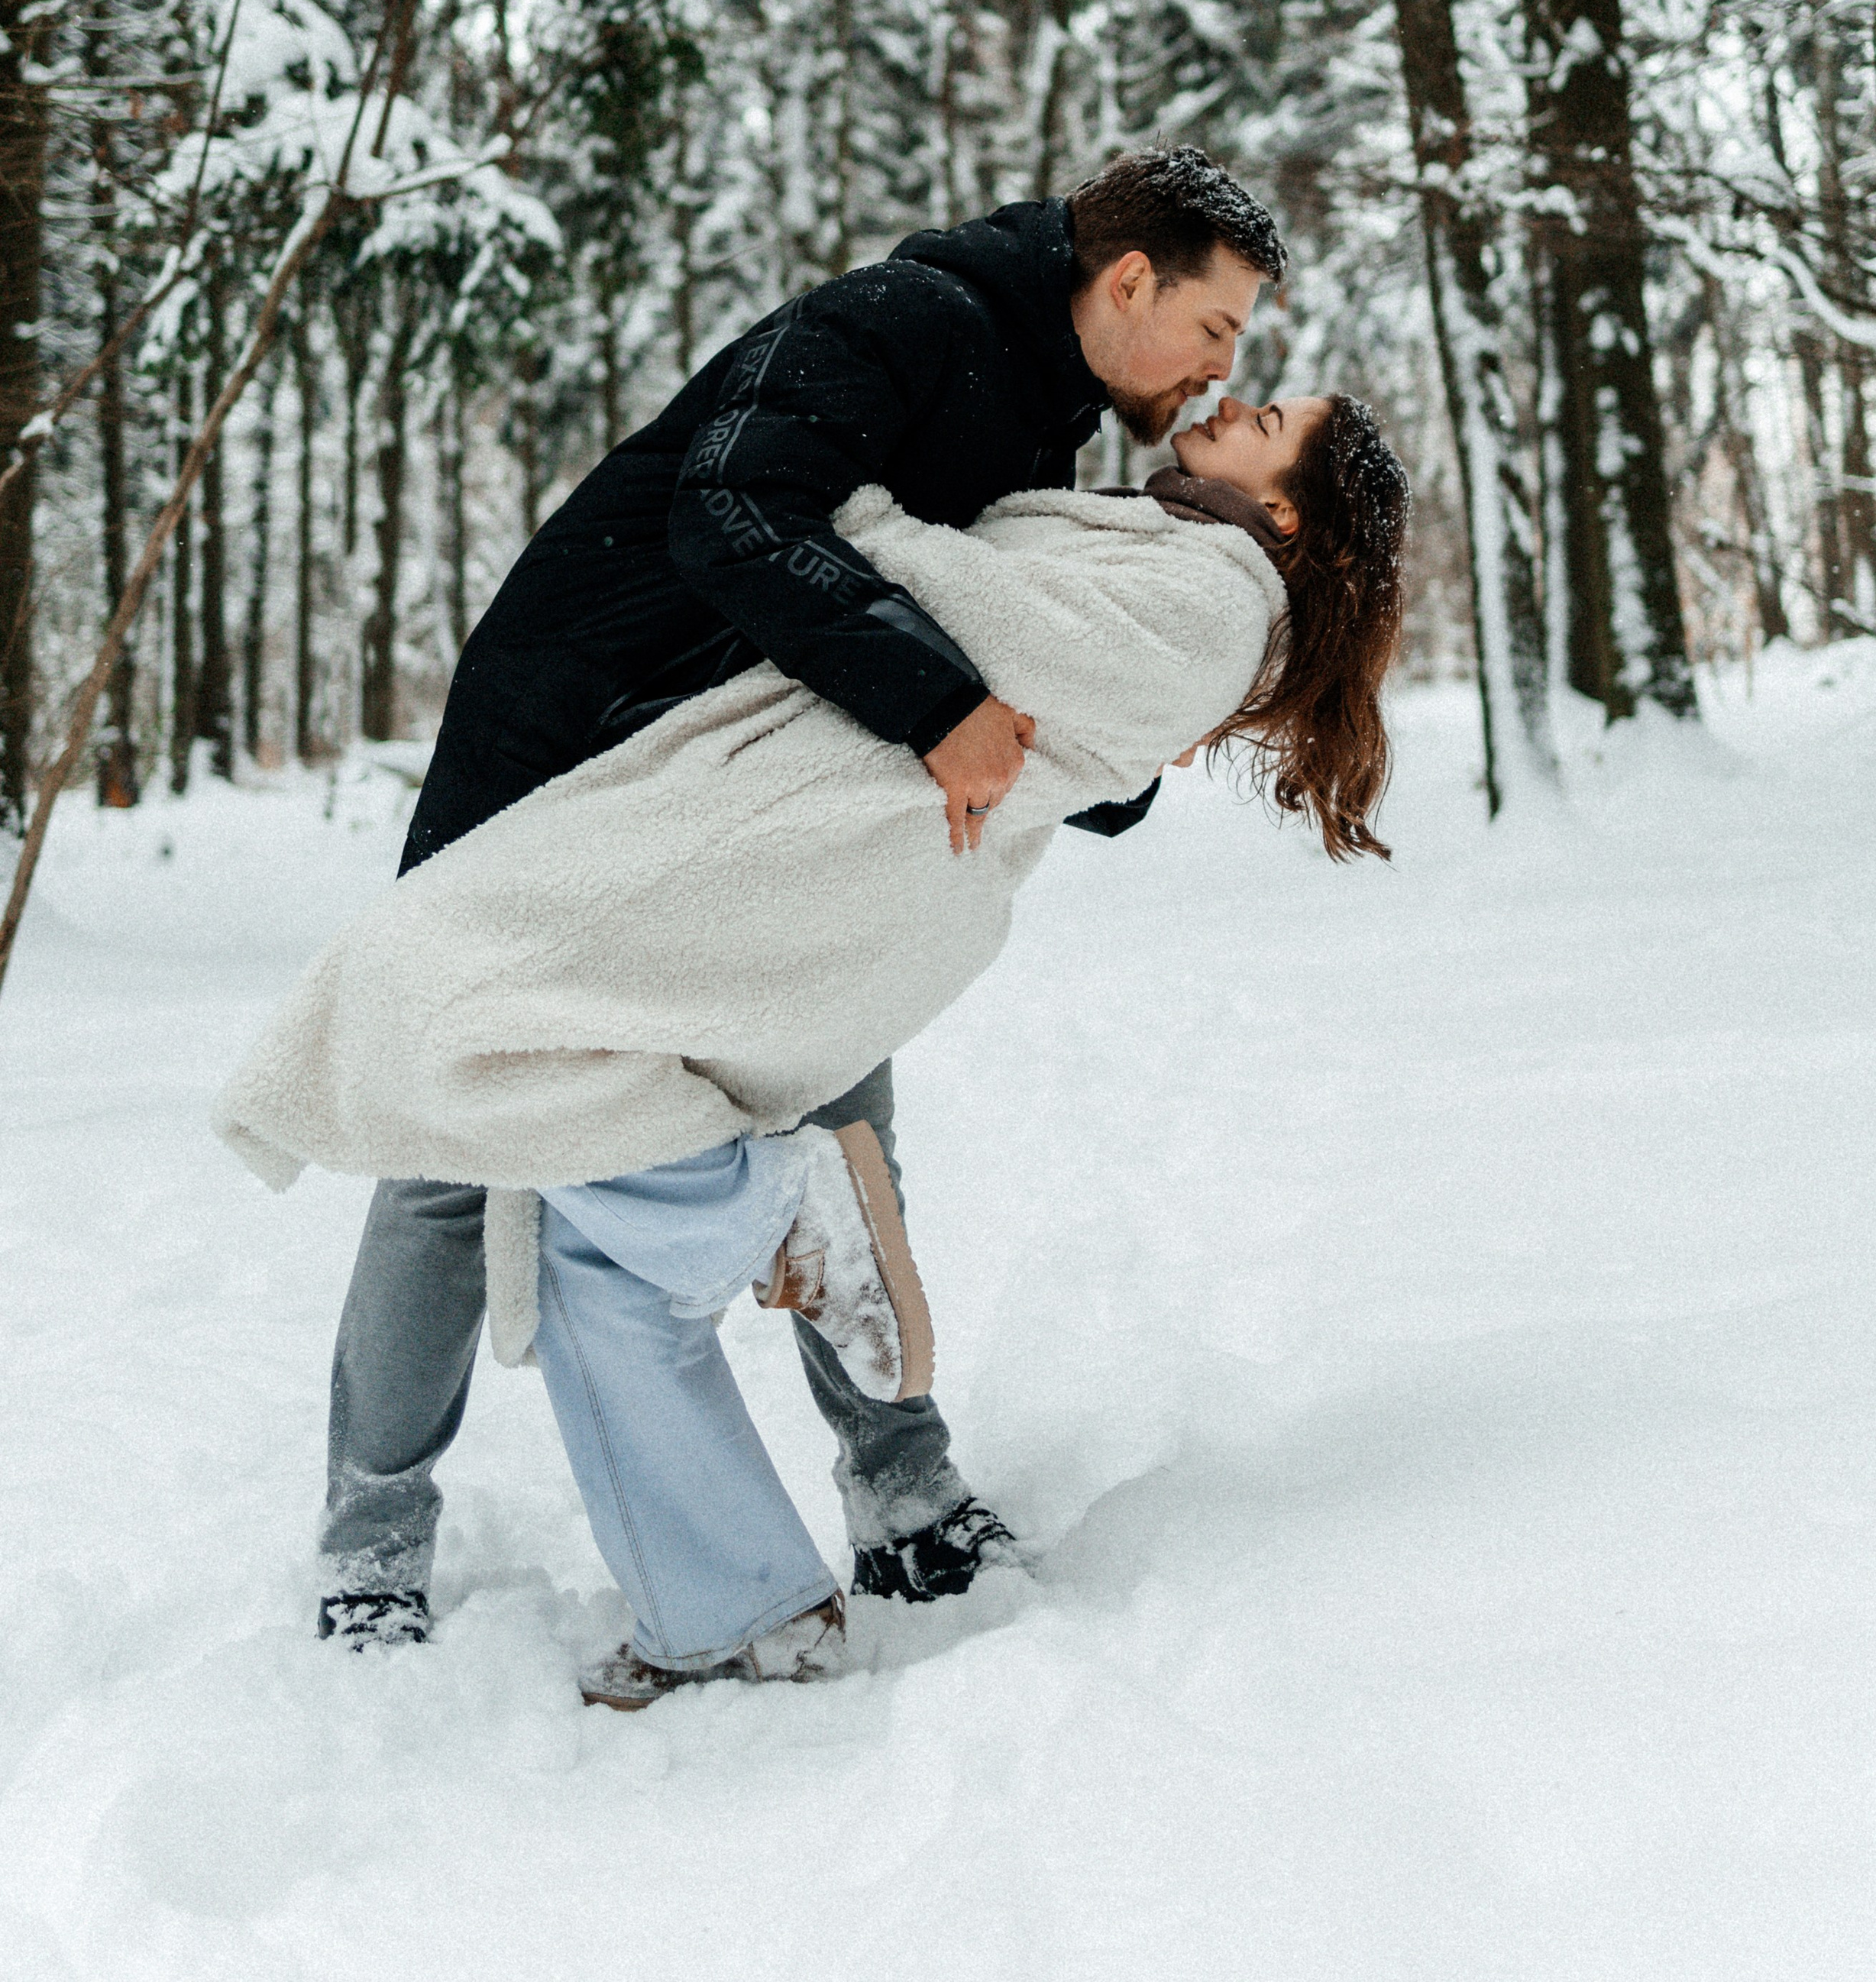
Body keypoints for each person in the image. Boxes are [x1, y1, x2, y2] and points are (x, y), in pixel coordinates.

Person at [218, 388, 1410, 1706]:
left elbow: (1007, 633)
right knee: (586, 1263)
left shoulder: (1214, 595)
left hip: (807, 855)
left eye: (1265, 406)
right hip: (788, 830)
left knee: (456, 1043)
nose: (1228, 388)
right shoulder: (1148, 530)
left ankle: (766, 1222)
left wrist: (850, 532)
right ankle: (742, 1609)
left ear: (1284, 509)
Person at [306, 147, 1290, 1646]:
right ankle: (370, 1550)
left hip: (748, 804)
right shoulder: (903, 319)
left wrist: (1117, 743)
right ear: (1132, 279)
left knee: (840, 1112)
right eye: (1214, 328)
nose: (1221, 367)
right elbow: (730, 509)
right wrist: (935, 703)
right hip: (569, 743)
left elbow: (989, 632)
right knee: (451, 1142)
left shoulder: (1047, 417)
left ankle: (904, 1498)